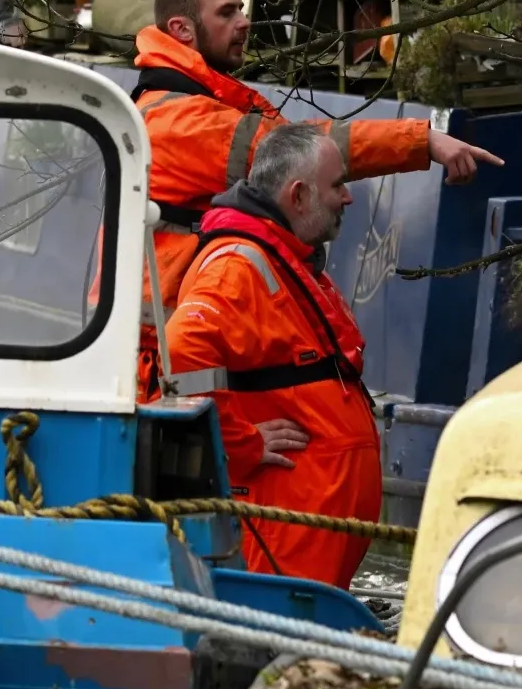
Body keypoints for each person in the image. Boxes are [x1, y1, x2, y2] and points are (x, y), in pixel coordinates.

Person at [133, 0, 499, 394]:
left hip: (168, 352)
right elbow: (298, 153)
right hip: (161, 366)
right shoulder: (182, 122)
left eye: (241, 9)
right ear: (181, 29)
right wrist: (422, 140)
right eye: (227, 13)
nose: (244, 22)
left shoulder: (179, 103)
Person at [164, 123, 384, 590]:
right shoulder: (237, 266)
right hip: (284, 531)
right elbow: (182, 348)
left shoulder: (284, 258)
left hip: (307, 530)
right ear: (298, 195)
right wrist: (237, 443)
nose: (347, 198)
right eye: (337, 185)